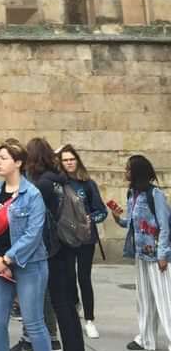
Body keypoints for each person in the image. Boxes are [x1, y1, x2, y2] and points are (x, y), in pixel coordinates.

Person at [0, 138, 58, 351]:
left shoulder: (32, 194)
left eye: (3, 158)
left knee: (34, 322)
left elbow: (33, 234)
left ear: (18, 162)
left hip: (30, 265)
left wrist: (8, 258)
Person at [25, 137, 88, 351]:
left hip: (53, 250)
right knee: (68, 304)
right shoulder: (60, 180)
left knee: (61, 304)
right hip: (67, 245)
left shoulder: (41, 184)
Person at [111, 154, 171, 351]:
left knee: (165, 299)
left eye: (128, 169)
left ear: (137, 172)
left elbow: (164, 226)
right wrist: (118, 219)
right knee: (144, 298)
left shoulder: (156, 195)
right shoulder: (132, 194)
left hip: (157, 255)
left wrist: (163, 254)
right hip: (140, 253)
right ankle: (146, 338)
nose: (125, 173)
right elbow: (133, 224)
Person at [58, 144, 108, 339]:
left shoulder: (87, 184)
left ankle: (89, 319)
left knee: (84, 278)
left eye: (72, 159)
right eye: (65, 160)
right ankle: (75, 304)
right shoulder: (59, 183)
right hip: (66, 238)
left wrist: (89, 219)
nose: (69, 163)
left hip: (86, 238)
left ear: (77, 160)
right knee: (69, 277)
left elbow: (101, 211)